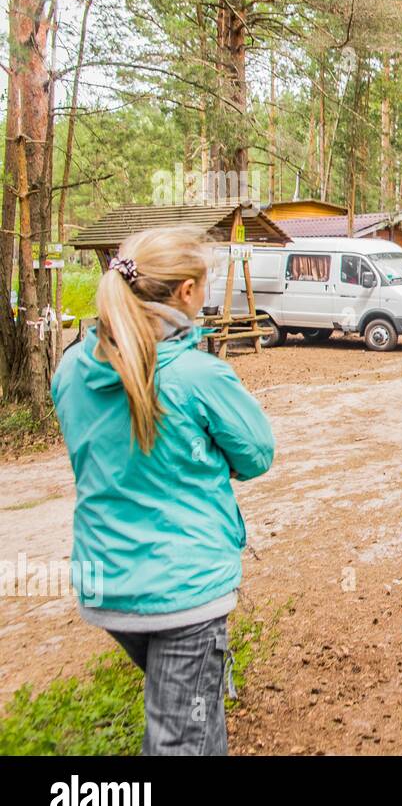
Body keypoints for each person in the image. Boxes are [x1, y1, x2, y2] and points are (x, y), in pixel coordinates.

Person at [51, 227, 275, 755]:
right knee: (182, 740)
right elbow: (257, 454)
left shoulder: (70, 370)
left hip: (106, 584)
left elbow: (102, 456)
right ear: (187, 293)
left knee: (194, 712)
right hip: (183, 592)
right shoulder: (197, 375)